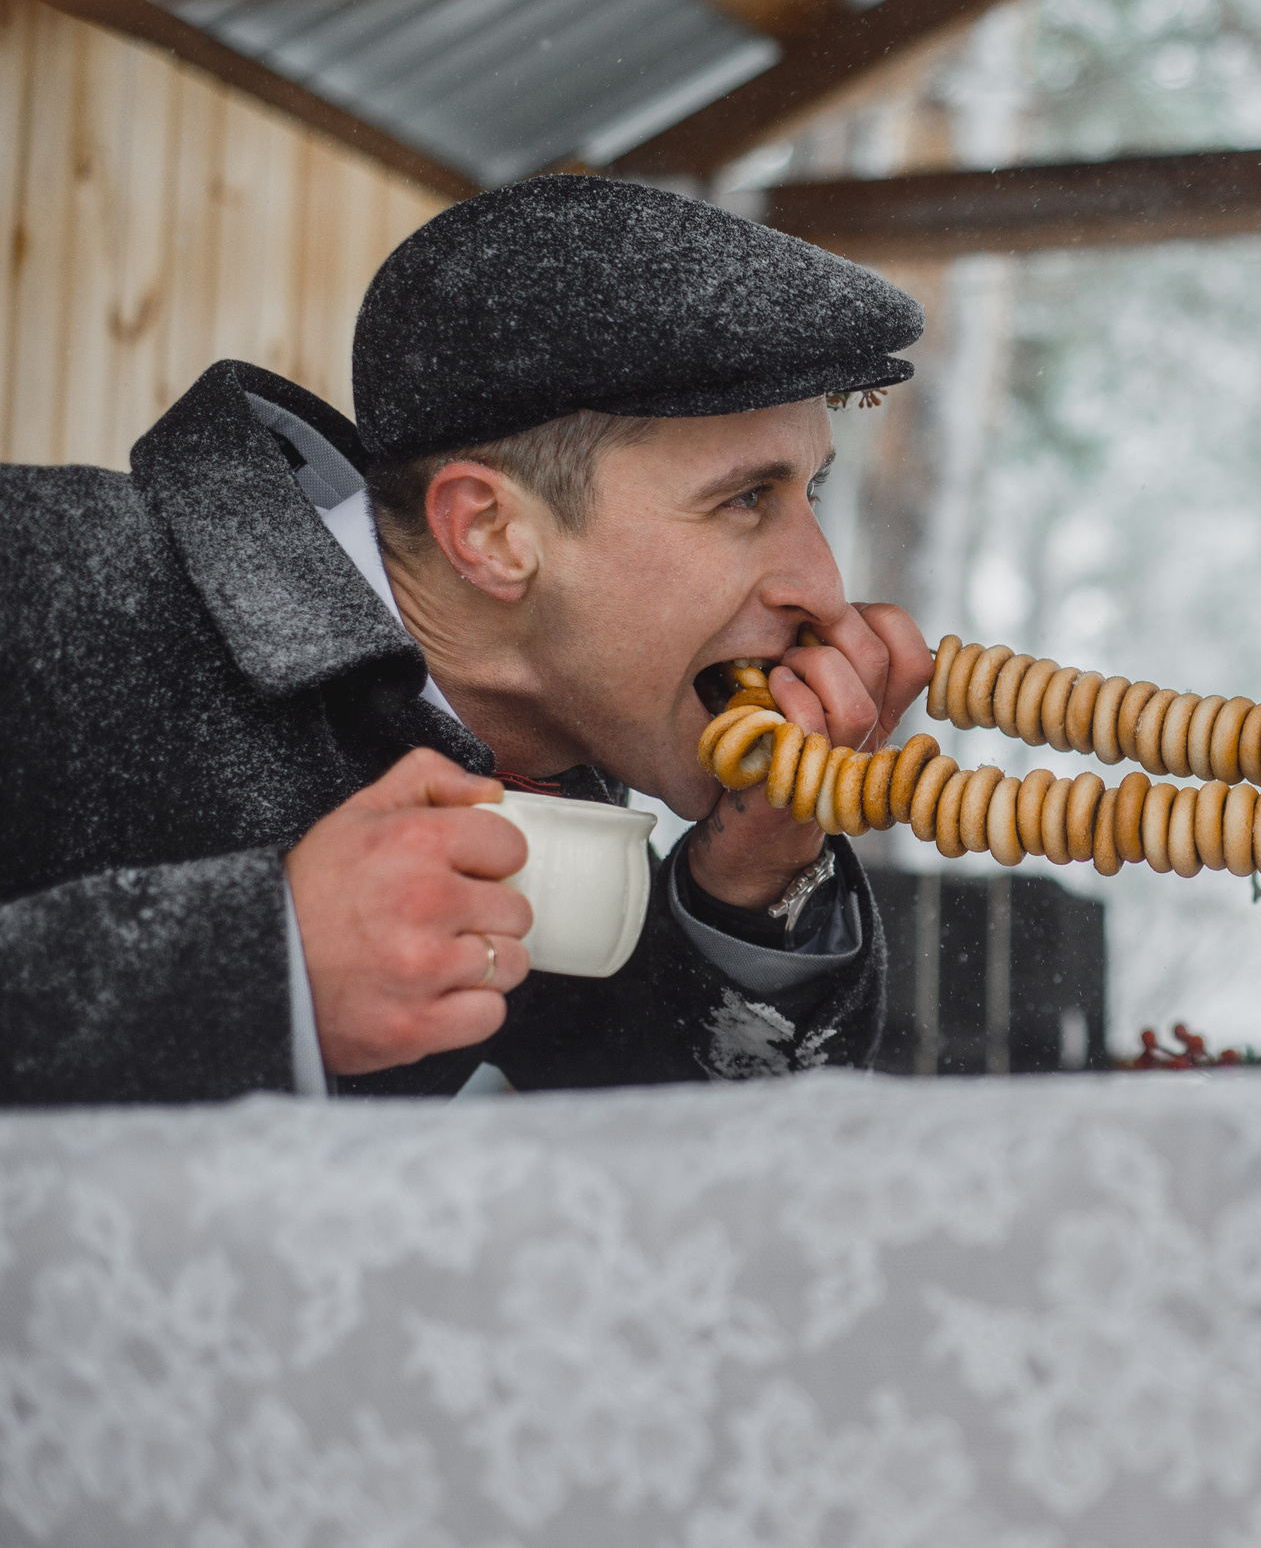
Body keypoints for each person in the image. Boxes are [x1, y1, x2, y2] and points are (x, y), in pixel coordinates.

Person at [0, 174, 934, 1103]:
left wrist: (754, 885)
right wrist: (263, 963)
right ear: (488, 533)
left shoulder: (567, 749)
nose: (824, 589)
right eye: (743, 498)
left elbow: (675, 1178)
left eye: (807, 490)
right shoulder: (35, 571)